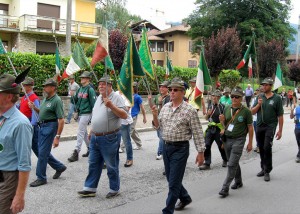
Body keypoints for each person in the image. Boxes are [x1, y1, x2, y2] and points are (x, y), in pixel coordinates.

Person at [151, 78, 205, 213]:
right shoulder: (165, 107)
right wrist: (155, 116)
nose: (172, 92)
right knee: (170, 178)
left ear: (183, 92)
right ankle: (185, 197)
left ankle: (167, 211)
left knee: (174, 182)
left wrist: (201, 152)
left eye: (175, 90)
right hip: (166, 146)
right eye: (171, 90)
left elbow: (198, 132)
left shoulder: (189, 110)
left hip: (180, 149)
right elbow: (158, 127)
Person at [77, 75, 127, 198]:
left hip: (109, 137)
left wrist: (111, 106)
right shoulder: (99, 97)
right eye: (99, 84)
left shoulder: (116, 98)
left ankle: (114, 189)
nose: (100, 86)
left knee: (111, 165)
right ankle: (90, 188)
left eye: (103, 84)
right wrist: (92, 130)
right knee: (93, 163)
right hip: (95, 137)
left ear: (110, 86)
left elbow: (124, 115)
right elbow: (95, 115)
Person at [0, 74, 33, 214]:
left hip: (8, 179)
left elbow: (24, 163)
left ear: (8, 96)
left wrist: (19, 196)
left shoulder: (21, 124)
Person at [29, 79, 67, 187]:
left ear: (53, 87)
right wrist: (34, 108)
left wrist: (57, 136)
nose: (44, 88)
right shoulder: (46, 99)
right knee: (43, 151)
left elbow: (61, 119)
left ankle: (41, 178)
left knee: (42, 153)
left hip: (50, 127)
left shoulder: (57, 100)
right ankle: (59, 167)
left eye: (46, 86)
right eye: (44, 86)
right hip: (43, 126)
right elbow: (42, 112)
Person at [218, 86, 253, 197]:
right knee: (233, 162)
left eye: (237, 97)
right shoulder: (227, 108)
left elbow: (250, 127)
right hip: (227, 139)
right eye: (232, 96)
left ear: (241, 98)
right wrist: (222, 122)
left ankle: (225, 187)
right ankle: (238, 181)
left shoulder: (246, 111)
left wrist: (250, 143)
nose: (234, 99)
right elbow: (225, 126)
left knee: (231, 164)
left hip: (239, 139)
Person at [251, 77, 283, 182]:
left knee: (267, 147)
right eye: (263, 85)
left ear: (271, 86)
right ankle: (263, 168)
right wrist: (259, 104)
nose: (263, 86)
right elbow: (252, 112)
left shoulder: (277, 98)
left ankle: (267, 170)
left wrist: (280, 130)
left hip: (271, 126)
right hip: (259, 126)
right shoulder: (259, 96)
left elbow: (280, 115)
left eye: (266, 85)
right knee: (261, 147)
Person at [68, 71, 97, 162]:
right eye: (81, 78)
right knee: (84, 132)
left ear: (88, 79)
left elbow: (94, 104)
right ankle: (90, 148)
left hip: (87, 113)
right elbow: (75, 100)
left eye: (83, 78)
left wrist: (93, 116)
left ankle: (76, 152)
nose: (81, 79)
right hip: (80, 113)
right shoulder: (80, 89)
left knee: (80, 131)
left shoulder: (90, 90)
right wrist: (72, 97)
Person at [199, 90, 228, 170]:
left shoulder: (223, 107)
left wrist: (223, 128)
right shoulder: (210, 106)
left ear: (219, 97)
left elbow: (225, 119)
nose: (214, 98)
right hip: (210, 128)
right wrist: (208, 114)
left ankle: (225, 159)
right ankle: (207, 163)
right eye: (213, 96)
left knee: (220, 146)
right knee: (206, 145)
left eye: (216, 96)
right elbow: (206, 118)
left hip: (219, 128)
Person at [18, 77, 40, 156]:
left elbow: (36, 113)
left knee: (35, 146)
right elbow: (20, 107)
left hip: (30, 124)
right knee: (32, 146)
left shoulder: (34, 98)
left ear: (30, 86)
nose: (22, 87)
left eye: (24, 85)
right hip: (24, 122)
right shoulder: (24, 97)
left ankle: (47, 161)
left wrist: (32, 125)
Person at [153, 80, 170, 160]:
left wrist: (160, 103)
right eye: (160, 86)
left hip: (164, 120)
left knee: (161, 137)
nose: (161, 88)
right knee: (160, 136)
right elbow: (153, 106)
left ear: (167, 88)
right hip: (157, 119)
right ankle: (165, 150)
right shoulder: (158, 96)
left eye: (163, 87)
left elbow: (165, 111)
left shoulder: (169, 98)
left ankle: (160, 152)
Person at [116, 90, 134, 167]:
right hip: (115, 121)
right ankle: (112, 160)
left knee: (126, 141)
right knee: (114, 142)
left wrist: (113, 106)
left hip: (125, 122)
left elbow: (126, 109)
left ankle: (129, 159)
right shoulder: (115, 93)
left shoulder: (129, 95)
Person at [130, 82, 147, 150]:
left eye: (132, 87)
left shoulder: (138, 97)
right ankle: (139, 144)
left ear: (135, 88)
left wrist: (144, 118)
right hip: (128, 116)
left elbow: (142, 108)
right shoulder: (128, 96)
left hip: (134, 116)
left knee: (129, 132)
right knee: (133, 131)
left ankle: (121, 147)